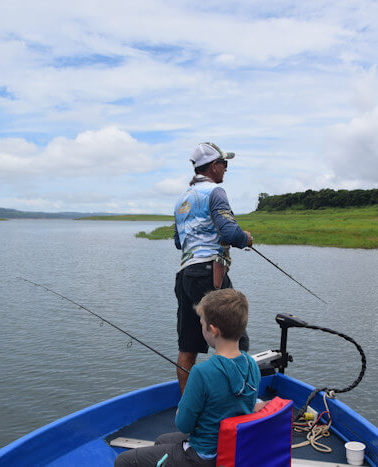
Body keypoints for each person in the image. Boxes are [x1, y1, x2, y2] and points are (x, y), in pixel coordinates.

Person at [114, 289, 260, 467]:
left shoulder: (202, 372)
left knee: (124, 461)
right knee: (161, 440)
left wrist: (180, 411)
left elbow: (183, 425)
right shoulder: (251, 364)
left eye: (202, 323)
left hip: (202, 456)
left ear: (212, 331)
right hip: (231, 447)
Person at [173, 142, 253, 393]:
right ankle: (232, 402)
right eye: (224, 164)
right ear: (213, 166)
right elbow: (230, 232)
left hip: (185, 275)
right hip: (210, 274)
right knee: (234, 339)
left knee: (188, 346)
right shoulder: (215, 192)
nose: (226, 170)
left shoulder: (181, 199)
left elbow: (179, 242)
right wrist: (246, 238)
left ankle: (185, 407)